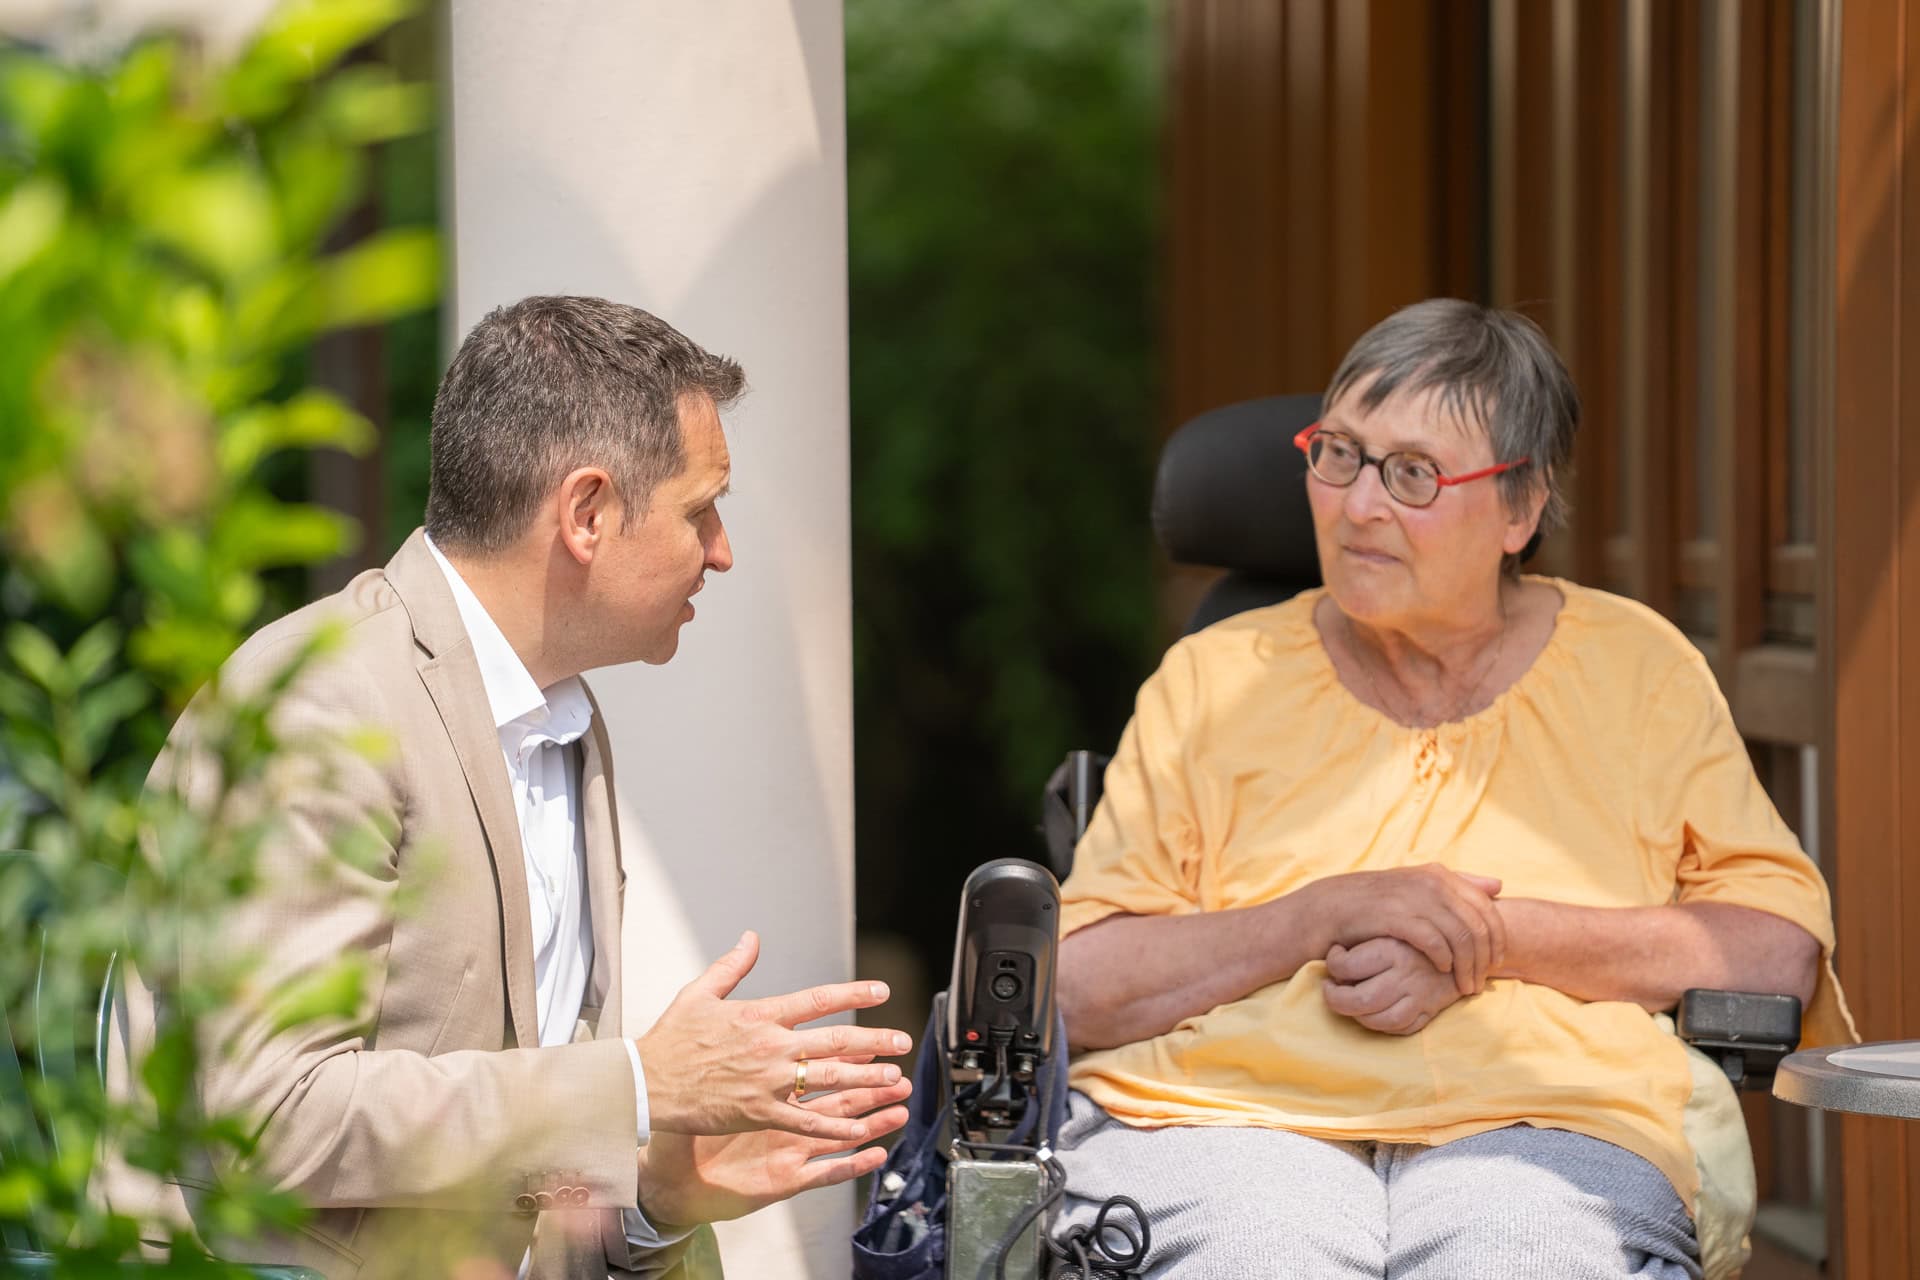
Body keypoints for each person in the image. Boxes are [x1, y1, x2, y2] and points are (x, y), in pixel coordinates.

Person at [101, 296, 913, 1279]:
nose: (723, 549)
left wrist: (654, 1200)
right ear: (586, 512)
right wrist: (633, 1087)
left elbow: (531, 1195)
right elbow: (264, 1116)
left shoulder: (567, 724)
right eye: (701, 510)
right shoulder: (323, 707)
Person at [1051, 298, 1855, 1279]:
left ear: (1520, 507)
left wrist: (1491, 942)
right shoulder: (1215, 677)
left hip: (1546, 1114)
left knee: (1527, 1252)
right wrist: (1323, 913)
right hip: (1226, 1116)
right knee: (1258, 1254)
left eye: (1413, 474)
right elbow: (1079, 983)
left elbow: (1773, 951)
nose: (1357, 505)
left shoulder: (1637, 668)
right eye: (1337, 454)